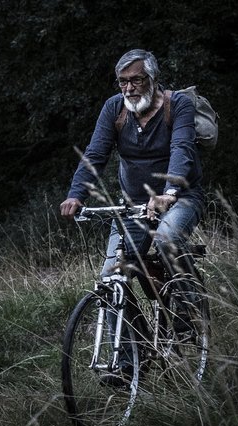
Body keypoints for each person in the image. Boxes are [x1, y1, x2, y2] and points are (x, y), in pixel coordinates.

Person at [60, 49, 205, 385]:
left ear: (152, 80)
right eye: (123, 81)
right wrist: (76, 195)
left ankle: (185, 311)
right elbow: (95, 154)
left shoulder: (176, 105)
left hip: (180, 196)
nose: (129, 88)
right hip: (133, 204)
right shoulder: (114, 109)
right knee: (112, 278)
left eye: (136, 80)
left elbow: (182, 147)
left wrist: (169, 193)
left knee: (167, 238)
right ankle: (129, 362)